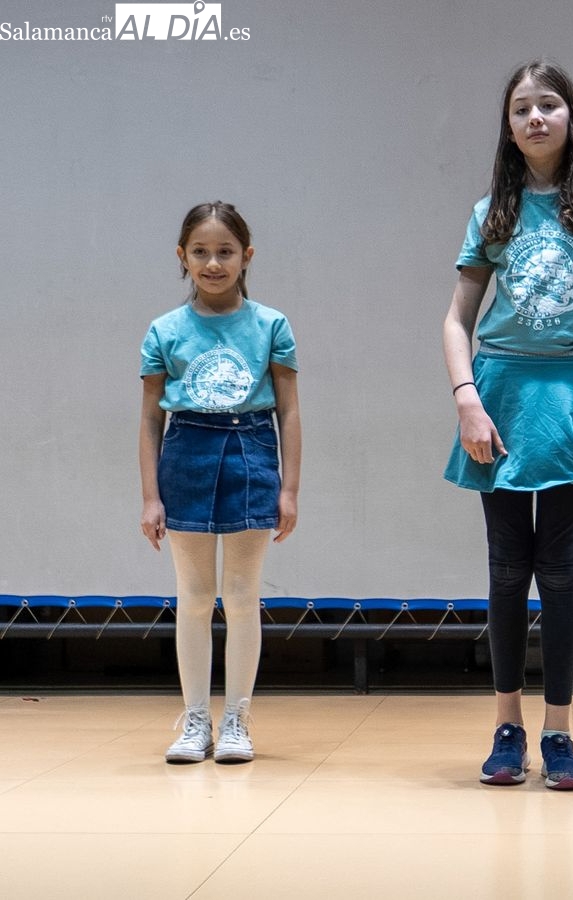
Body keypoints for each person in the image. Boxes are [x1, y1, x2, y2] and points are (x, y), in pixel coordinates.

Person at [442, 60, 573, 790]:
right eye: (522, 108)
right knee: (504, 569)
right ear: (509, 127)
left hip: (570, 393)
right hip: (499, 390)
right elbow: (457, 319)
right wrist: (467, 397)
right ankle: (506, 727)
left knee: (557, 570)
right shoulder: (492, 210)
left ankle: (558, 731)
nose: (535, 117)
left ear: (570, 116)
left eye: (548, 104)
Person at [139, 201, 301, 764]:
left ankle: (237, 718)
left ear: (246, 256)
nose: (213, 263)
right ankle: (194, 720)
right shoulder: (164, 330)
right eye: (201, 252)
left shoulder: (271, 325)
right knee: (193, 596)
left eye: (225, 251)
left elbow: (289, 412)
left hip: (250, 453)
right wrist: (151, 496)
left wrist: (288, 489)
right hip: (185, 455)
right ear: (182, 257)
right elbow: (150, 419)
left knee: (241, 594)